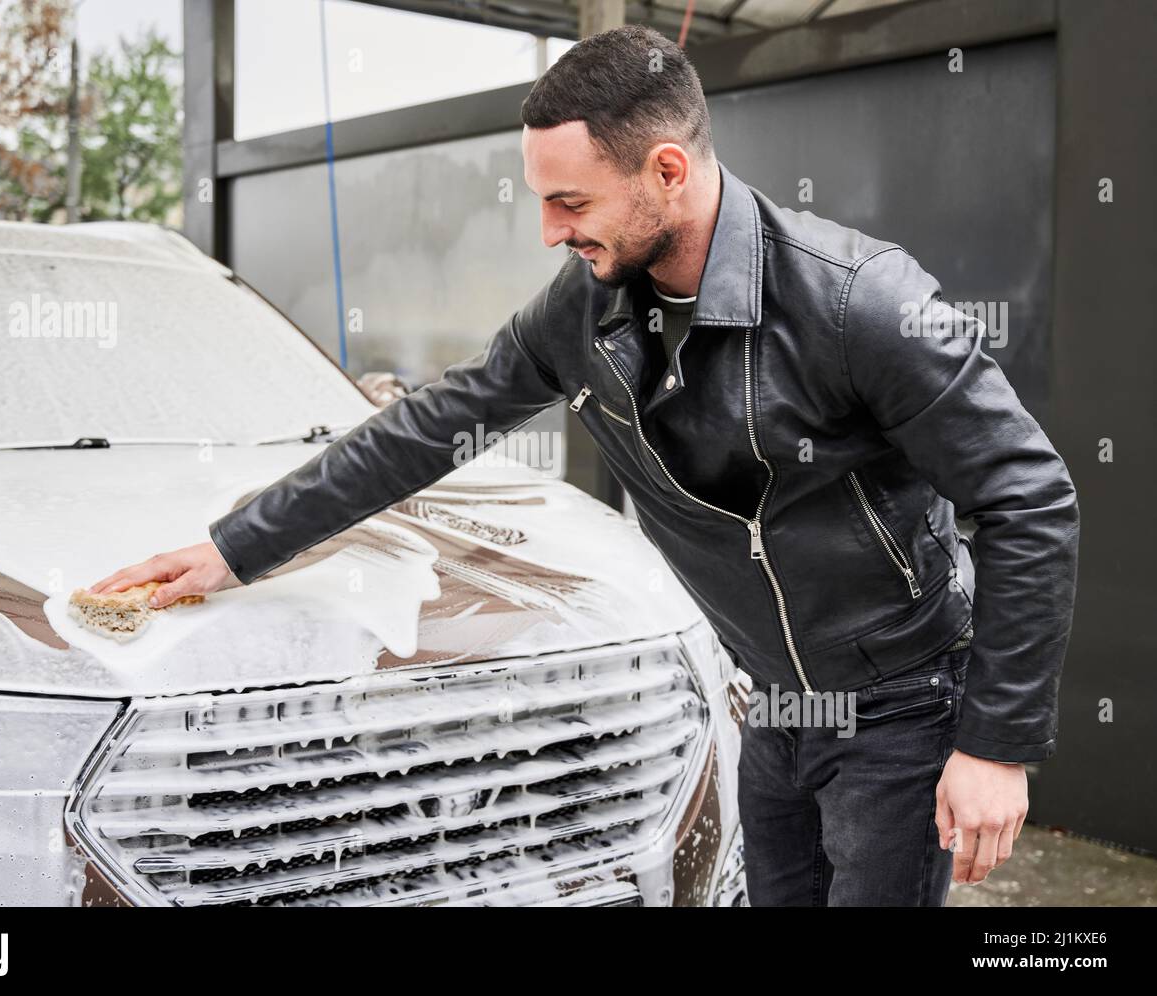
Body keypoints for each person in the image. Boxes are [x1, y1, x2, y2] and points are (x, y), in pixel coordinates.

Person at [91, 24, 1079, 906]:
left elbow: (1028, 495)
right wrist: (232, 548)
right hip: (770, 708)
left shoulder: (856, 303)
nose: (550, 232)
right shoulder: (588, 305)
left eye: (569, 201)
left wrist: (993, 744)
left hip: (899, 710)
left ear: (665, 172)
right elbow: (427, 428)